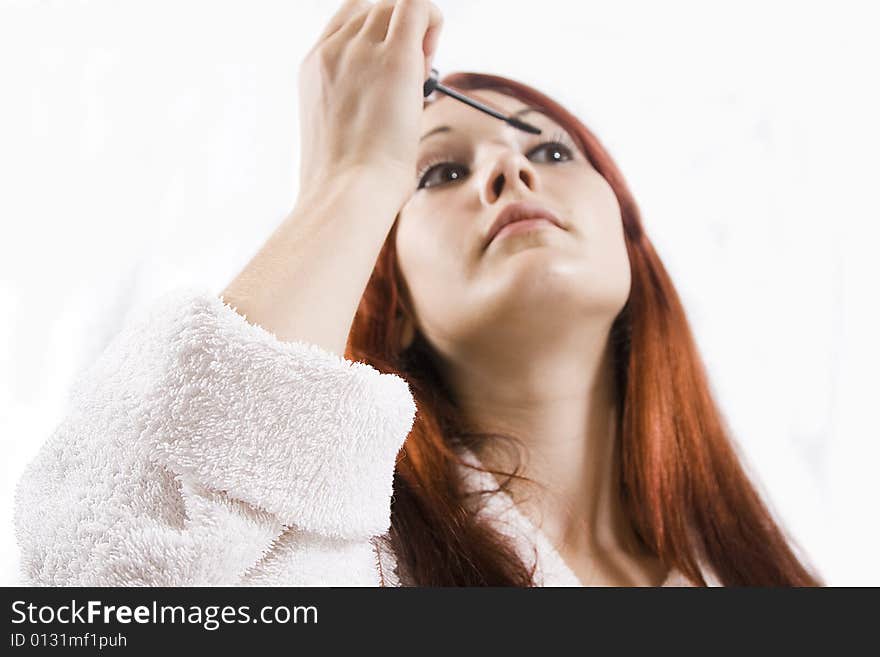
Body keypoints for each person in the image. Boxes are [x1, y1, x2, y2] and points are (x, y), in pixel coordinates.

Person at [13, 0, 822, 587]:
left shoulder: (762, 575)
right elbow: (105, 599)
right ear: (391, 301)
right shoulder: (353, 566)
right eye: (440, 170)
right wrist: (349, 182)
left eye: (552, 149)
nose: (511, 169)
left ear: (630, 245)